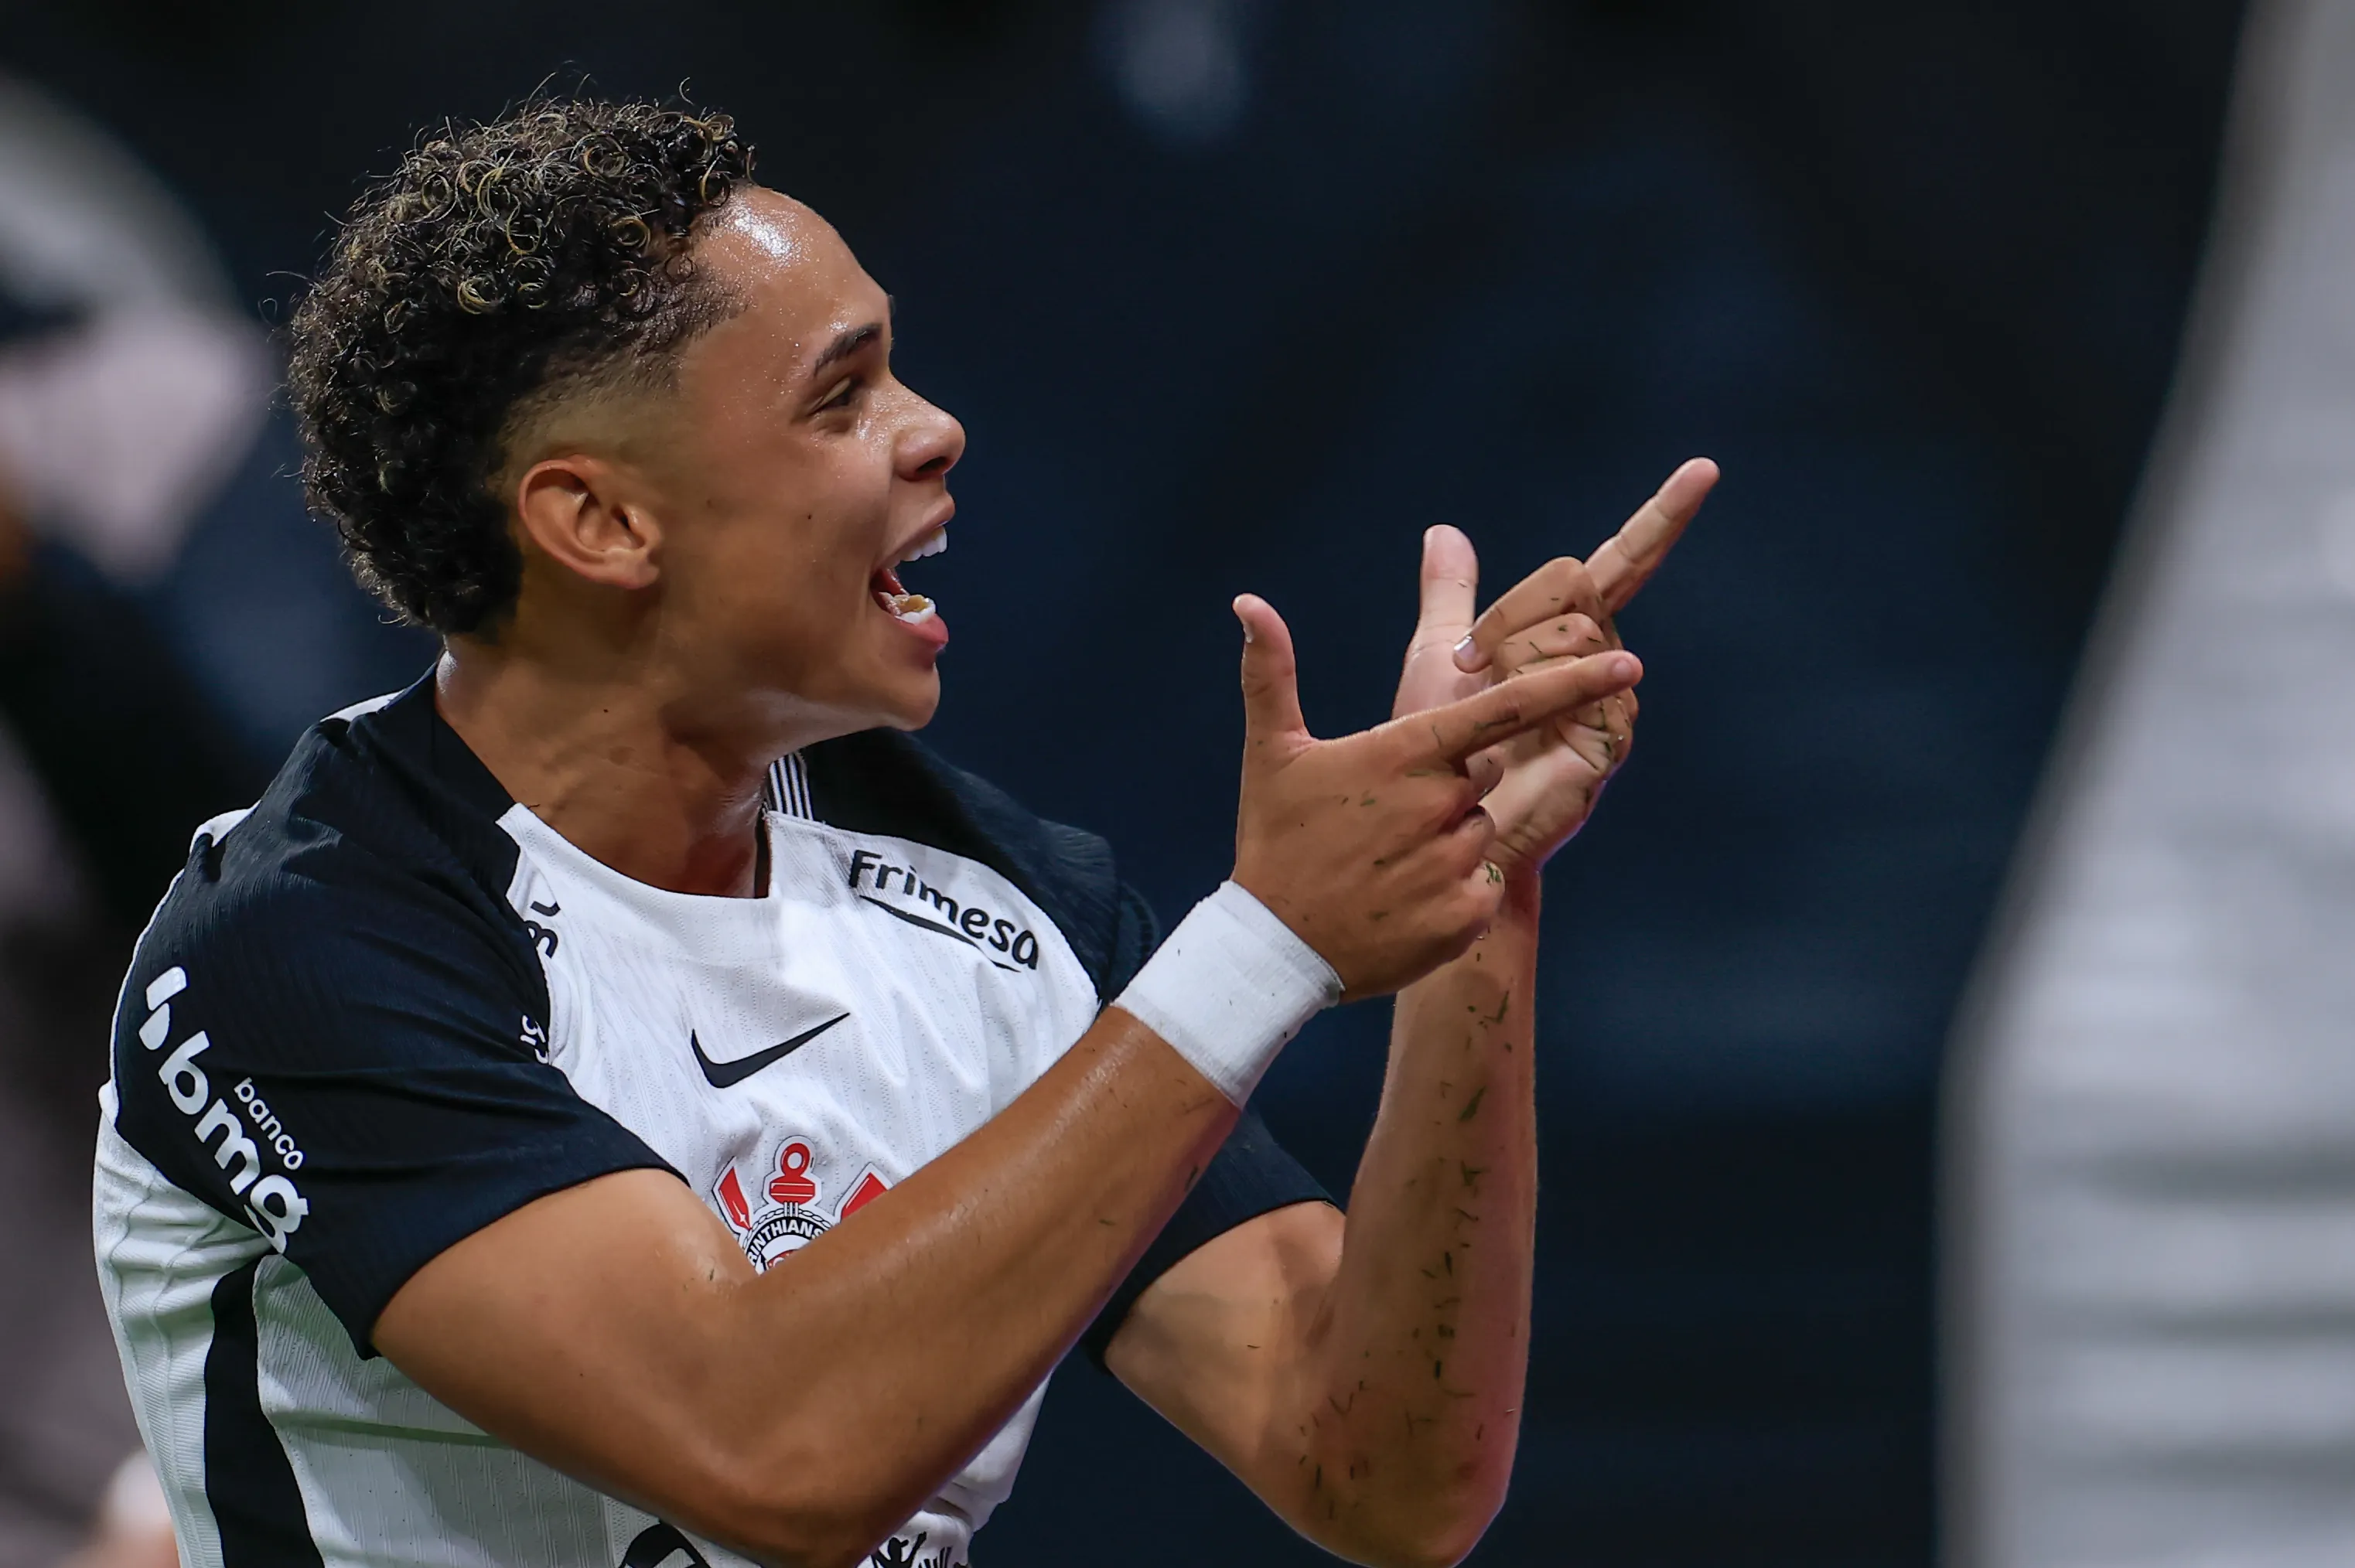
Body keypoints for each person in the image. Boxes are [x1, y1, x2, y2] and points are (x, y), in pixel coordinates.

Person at [93, 97, 1713, 1568]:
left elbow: (1381, 1478)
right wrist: (1265, 942)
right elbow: (771, 1452)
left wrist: (1467, 892)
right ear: (599, 522)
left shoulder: (986, 900)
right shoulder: (300, 948)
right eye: (840, 396)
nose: (933, 429)